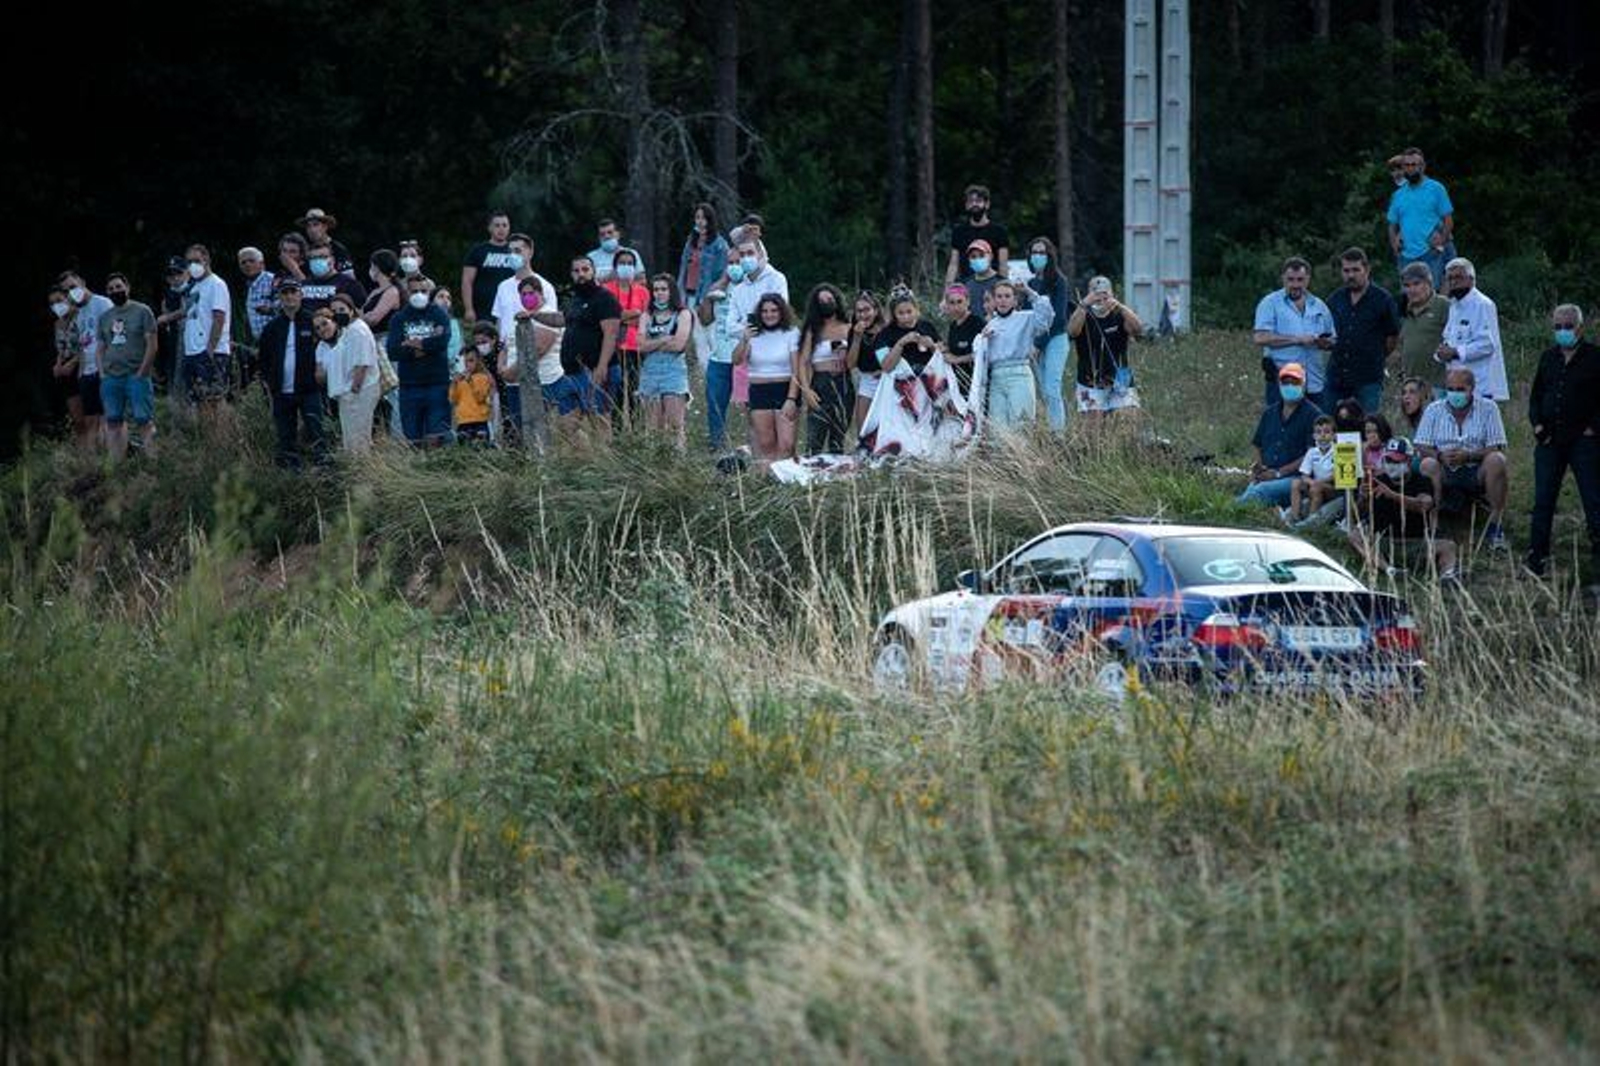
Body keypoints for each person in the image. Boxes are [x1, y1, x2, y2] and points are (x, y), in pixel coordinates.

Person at [1524, 304, 1600, 579]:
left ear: (1580, 327)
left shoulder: (1594, 357)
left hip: (1584, 442)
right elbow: (1535, 396)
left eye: (1567, 326)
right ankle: (1536, 558)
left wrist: (1594, 428)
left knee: (1593, 500)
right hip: (1550, 440)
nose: (1562, 331)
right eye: (1557, 326)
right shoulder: (1548, 358)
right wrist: (1538, 425)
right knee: (1543, 500)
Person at [1415, 366, 1510, 549]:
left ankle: (1495, 526)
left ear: (1471, 389)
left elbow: (1496, 444)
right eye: (1451, 389)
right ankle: (1433, 525)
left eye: (1460, 389)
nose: (1455, 393)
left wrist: (1469, 456)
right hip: (1444, 467)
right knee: (1427, 464)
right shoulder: (1434, 410)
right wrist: (1439, 456)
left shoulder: (1489, 408)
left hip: (1476, 467)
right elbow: (1421, 443)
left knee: (1497, 459)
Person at [1348, 437, 1459, 582]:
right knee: (1355, 536)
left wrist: (1392, 495)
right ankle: (1389, 570)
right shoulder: (1377, 480)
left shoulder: (1421, 481)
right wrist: (1362, 498)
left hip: (1416, 543)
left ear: (1408, 461)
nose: (1392, 465)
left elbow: (1424, 505)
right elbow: (1358, 514)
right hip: (1384, 543)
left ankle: (1448, 575)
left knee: (1448, 546)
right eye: (1389, 460)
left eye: (1397, 461)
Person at [256, 280, 325, 468]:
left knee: (315, 428)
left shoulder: (312, 322)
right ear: (279, 297)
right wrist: (268, 383)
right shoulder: (272, 327)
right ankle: (290, 472)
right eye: (285, 293)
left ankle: (324, 467)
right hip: (281, 390)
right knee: (285, 433)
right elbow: (263, 358)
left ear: (300, 294)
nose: (289, 296)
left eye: (293, 291)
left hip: (309, 388)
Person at [1237, 363, 1325, 508]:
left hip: (1296, 478)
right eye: (1286, 382)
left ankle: (1226, 515)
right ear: (1279, 384)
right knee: (1253, 490)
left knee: (1259, 492)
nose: (1290, 386)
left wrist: (1278, 473)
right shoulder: (1269, 413)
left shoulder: (1314, 415)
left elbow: (1312, 453)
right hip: (1268, 474)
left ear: (1304, 384)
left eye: (1295, 382)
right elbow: (1257, 444)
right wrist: (1259, 467)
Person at [1252, 257, 1335, 409]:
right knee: (1282, 429)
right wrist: (1297, 339)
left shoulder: (1319, 306)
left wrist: (1324, 343)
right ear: (1283, 278)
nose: (1295, 285)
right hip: (1283, 383)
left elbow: (1332, 339)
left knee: (1317, 429)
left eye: (1300, 280)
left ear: (1308, 279)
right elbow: (1260, 337)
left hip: (1314, 382)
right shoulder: (1270, 303)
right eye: (1290, 279)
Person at [1324, 247, 1399, 414]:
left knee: (1368, 428)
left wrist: (1375, 354)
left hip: (1368, 378)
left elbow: (1392, 337)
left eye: (1356, 270)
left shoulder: (1382, 299)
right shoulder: (1335, 299)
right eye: (1346, 270)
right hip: (1336, 376)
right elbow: (1326, 332)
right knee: (1328, 428)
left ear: (1367, 269)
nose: (1351, 275)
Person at [976, 280, 1055, 433]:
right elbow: (980, 356)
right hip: (997, 377)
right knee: (999, 429)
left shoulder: (1026, 317)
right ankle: (1004, 457)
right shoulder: (990, 324)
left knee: (1021, 424)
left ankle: (1023, 457)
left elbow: (1047, 317)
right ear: (994, 300)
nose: (1003, 300)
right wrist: (982, 340)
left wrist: (1029, 292)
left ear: (1014, 300)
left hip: (1019, 373)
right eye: (999, 296)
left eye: (1007, 296)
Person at [95, 273, 158, 460]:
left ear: (127, 287)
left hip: (136, 374)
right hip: (111, 377)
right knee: (113, 420)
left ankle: (154, 461)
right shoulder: (105, 317)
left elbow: (152, 344)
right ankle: (117, 464)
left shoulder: (142, 311)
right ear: (107, 293)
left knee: (143, 419)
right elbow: (100, 348)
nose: (116, 291)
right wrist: (102, 374)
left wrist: (143, 371)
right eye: (111, 289)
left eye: (118, 286)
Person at [385, 275, 454, 446]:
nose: (419, 294)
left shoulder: (439, 314)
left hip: (437, 383)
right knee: (413, 439)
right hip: (410, 386)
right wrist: (425, 347)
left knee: (437, 437)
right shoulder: (399, 319)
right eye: (414, 291)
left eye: (423, 291)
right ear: (407, 293)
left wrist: (414, 344)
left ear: (429, 292)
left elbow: (442, 342)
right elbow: (393, 351)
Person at [558, 255, 623, 435]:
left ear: (593, 271)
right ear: (571, 274)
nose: (581, 274)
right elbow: (561, 319)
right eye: (576, 271)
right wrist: (534, 315)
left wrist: (602, 366)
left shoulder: (604, 298)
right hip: (572, 372)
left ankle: (605, 462)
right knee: (566, 427)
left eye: (585, 269)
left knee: (600, 423)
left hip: (596, 370)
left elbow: (611, 334)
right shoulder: (575, 300)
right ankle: (583, 461)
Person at [733, 292, 800, 460]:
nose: (769, 315)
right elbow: (736, 360)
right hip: (759, 390)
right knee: (766, 443)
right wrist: (745, 339)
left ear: (781, 312)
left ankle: (787, 480)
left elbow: (796, 369)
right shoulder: (753, 335)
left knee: (786, 444)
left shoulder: (791, 333)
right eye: (765, 311)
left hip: (784, 389)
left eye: (774, 310)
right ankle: (768, 480)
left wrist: (791, 399)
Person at [1067, 275, 1144, 421]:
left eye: (1104, 295)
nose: (1100, 300)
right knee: (1092, 432)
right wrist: (1083, 305)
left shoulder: (1119, 314)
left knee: (1126, 422)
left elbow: (1138, 329)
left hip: (1120, 379)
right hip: (1090, 380)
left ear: (1112, 294)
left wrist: (1120, 306)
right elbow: (1072, 331)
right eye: (1096, 295)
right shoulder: (1083, 313)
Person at [312, 299, 380, 455]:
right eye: (335, 311)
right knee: (352, 440)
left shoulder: (357, 330)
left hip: (357, 392)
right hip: (346, 394)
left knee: (358, 440)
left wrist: (353, 390)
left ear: (352, 310)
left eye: (342, 309)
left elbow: (362, 363)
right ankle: (359, 471)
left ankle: (363, 473)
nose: (339, 314)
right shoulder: (344, 333)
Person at [1436, 258, 1508, 403]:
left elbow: (1487, 345)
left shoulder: (1483, 304)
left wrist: (1455, 352)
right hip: (1456, 386)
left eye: (1458, 277)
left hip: (1480, 388)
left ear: (1471, 279)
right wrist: (1442, 352)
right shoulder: (1453, 307)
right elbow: (1450, 340)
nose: (1453, 282)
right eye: (1450, 278)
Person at [55, 272, 114, 445]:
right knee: (90, 421)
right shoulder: (78, 313)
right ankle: (91, 464)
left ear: (82, 282)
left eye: (73, 287)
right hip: (86, 372)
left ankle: (115, 460)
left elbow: (115, 335)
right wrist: (80, 372)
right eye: (66, 291)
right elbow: (82, 344)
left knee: (109, 419)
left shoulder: (103, 303)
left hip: (104, 369)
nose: (71, 292)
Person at [794, 284, 854, 455]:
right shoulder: (813, 329)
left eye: (829, 299)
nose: (826, 303)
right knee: (815, 439)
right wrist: (806, 390)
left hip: (843, 383)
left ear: (836, 300)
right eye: (821, 300)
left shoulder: (848, 327)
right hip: (820, 383)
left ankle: (836, 477)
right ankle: (812, 476)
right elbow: (803, 362)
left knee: (838, 437)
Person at [636, 274, 694, 448]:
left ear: (671, 292)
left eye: (663, 289)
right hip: (650, 373)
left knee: (676, 425)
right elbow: (640, 346)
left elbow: (678, 344)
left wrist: (652, 343)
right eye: (655, 289)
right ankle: (656, 462)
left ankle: (678, 462)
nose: (659, 293)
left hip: (673, 372)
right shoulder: (646, 316)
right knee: (653, 427)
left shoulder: (683, 314)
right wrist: (663, 339)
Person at [1024, 237, 1075, 432]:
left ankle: (1058, 435)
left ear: (1050, 256)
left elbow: (1059, 319)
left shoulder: (1058, 282)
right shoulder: (1030, 283)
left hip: (1055, 339)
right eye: (1034, 253)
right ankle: (1052, 427)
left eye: (1042, 253)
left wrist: (1039, 344)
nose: (1038, 256)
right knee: (1044, 392)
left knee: (1052, 387)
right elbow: (1028, 317)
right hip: (1036, 341)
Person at [1386, 147, 1455, 287]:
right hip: (1406, 255)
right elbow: (1392, 224)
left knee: (1433, 295)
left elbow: (1448, 220)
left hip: (1431, 252)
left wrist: (1441, 241)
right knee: (1409, 298)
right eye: (1406, 165)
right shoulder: (1398, 195)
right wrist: (1394, 244)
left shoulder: (1436, 188)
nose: (1410, 168)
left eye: (1414, 165)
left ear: (1422, 167)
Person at [179, 245, 233, 411]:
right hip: (192, 351)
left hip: (211, 351)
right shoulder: (194, 287)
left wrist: (210, 349)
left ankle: (219, 436)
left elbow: (219, 318)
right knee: (198, 401)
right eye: (189, 262)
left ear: (206, 260)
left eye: (196, 260)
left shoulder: (216, 284)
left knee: (214, 399)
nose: (192, 265)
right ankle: (204, 435)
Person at [510, 277, 560, 452]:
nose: (527, 297)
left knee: (543, 426)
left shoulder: (549, 314)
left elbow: (538, 349)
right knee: (524, 427)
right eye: (523, 294)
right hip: (524, 381)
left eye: (531, 293)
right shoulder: (522, 315)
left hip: (546, 379)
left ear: (540, 293)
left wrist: (510, 371)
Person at [603, 249, 650, 424]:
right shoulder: (606, 290)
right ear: (615, 267)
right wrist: (632, 315)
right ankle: (616, 432)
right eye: (622, 263)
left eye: (630, 264)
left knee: (634, 393)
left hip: (635, 348)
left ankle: (636, 431)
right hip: (612, 347)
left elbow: (645, 319)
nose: (626, 267)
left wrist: (623, 317)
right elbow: (607, 318)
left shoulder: (642, 292)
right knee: (615, 392)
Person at [489, 233, 558, 350]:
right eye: (509, 251)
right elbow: (500, 321)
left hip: (533, 351)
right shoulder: (503, 286)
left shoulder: (545, 286)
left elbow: (551, 324)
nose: (512, 255)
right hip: (507, 353)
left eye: (517, 251)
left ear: (530, 253)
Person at [1395, 262, 1450, 393]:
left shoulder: (1443, 305)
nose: (1411, 290)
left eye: (1416, 284)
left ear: (1429, 283)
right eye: (1407, 286)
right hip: (1411, 387)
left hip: (1438, 386)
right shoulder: (1404, 311)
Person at [676, 201, 730, 324]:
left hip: (706, 296)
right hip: (688, 293)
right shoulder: (691, 241)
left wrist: (709, 296)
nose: (700, 221)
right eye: (697, 217)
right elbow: (683, 269)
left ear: (710, 221)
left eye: (704, 218)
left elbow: (722, 273)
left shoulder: (720, 244)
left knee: (705, 334)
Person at [460, 210, 517, 326]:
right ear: (489, 228)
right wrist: (469, 309)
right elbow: (467, 281)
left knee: (508, 343)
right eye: (497, 225)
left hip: (510, 310)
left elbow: (523, 280)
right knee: (484, 343)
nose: (501, 229)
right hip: (483, 311)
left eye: (505, 225)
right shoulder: (478, 251)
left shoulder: (516, 252)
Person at [945, 183, 1010, 286]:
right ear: (966, 205)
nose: (974, 204)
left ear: (987, 204)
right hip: (966, 285)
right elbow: (954, 264)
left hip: (992, 285)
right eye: (971, 201)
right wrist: (947, 290)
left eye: (978, 201)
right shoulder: (959, 232)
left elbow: (1003, 264)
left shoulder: (999, 231)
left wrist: (1004, 288)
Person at [847, 290, 889, 441]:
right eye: (859, 311)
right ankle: (865, 457)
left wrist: (884, 371)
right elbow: (850, 364)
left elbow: (889, 360)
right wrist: (857, 337)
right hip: (866, 379)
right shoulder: (854, 331)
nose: (863, 315)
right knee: (863, 429)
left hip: (886, 380)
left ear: (876, 310)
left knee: (886, 426)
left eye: (867, 310)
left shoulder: (886, 330)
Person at [1288, 415, 1338, 524]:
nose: (1323, 435)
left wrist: (1318, 483)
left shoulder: (1338, 451)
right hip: (1316, 484)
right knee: (1296, 483)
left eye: (1326, 432)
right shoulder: (1312, 452)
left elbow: (1336, 475)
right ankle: (1294, 517)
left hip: (1332, 488)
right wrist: (1311, 482)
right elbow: (1304, 475)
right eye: (1318, 432)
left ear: (1334, 435)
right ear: (1314, 436)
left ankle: (1310, 523)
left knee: (1316, 487)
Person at [299, 238, 366, 315]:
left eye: (322, 257)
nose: (317, 261)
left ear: (332, 260)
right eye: (313, 258)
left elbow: (361, 312)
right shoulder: (303, 284)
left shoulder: (349, 284)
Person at [939, 284, 983, 398]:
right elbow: (956, 349)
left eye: (959, 302)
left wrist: (957, 360)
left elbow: (984, 354)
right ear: (947, 305)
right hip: (959, 384)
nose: (956, 307)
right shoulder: (953, 326)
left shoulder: (977, 323)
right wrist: (945, 349)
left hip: (976, 383)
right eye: (952, 303)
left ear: (967, 302)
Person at [155, 257, 189, 393]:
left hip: (190, 339)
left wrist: (167, 317)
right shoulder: (169, 293)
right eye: (171, 274)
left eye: (178, 273)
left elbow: (187, 310)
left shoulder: (192, 289)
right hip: (173, 339)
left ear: (187, 273)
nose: (174, 277)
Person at [449, 346, 495, 443]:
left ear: (478, 361)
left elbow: (480, 398)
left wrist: (470, 381)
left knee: (481, 448)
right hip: (463, 421)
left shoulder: (483, 377)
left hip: (480, 420)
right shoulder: (459, 380)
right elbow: (453, 400)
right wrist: (454, 383)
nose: (467, 365)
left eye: (471, 361)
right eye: (464, 362)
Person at [237, 246, 277, 346]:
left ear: (261, 263)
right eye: (243, 262)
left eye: (251, 261)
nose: (247, 265)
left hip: (276, 339)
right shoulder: (248, 286)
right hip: (260, 343)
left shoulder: (272, 280)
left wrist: (269, 310)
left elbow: (285, 308)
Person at [587, 217, 646, 283]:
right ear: (599, 238)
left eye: (610, 232)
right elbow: (588, 282)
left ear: (618, 234)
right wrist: (609, 277)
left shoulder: (632, 253)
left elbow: (642, 280)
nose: (606, 236)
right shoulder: (591, 257)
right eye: (602, 234)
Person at [361, 249, 404, 339]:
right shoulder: (375, 291)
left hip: (384, 339)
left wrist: (360, 318)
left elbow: (373, 319)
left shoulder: (392, 292)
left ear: (377, 268)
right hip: (371, 337)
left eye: (372, 266)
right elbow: (362, 313)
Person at [296, 208, 353, 273]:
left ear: (325, 227)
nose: (312, 229)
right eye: (308, 226)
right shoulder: (306, 250)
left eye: (316, 225)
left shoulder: (339, 249)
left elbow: (349, 278)